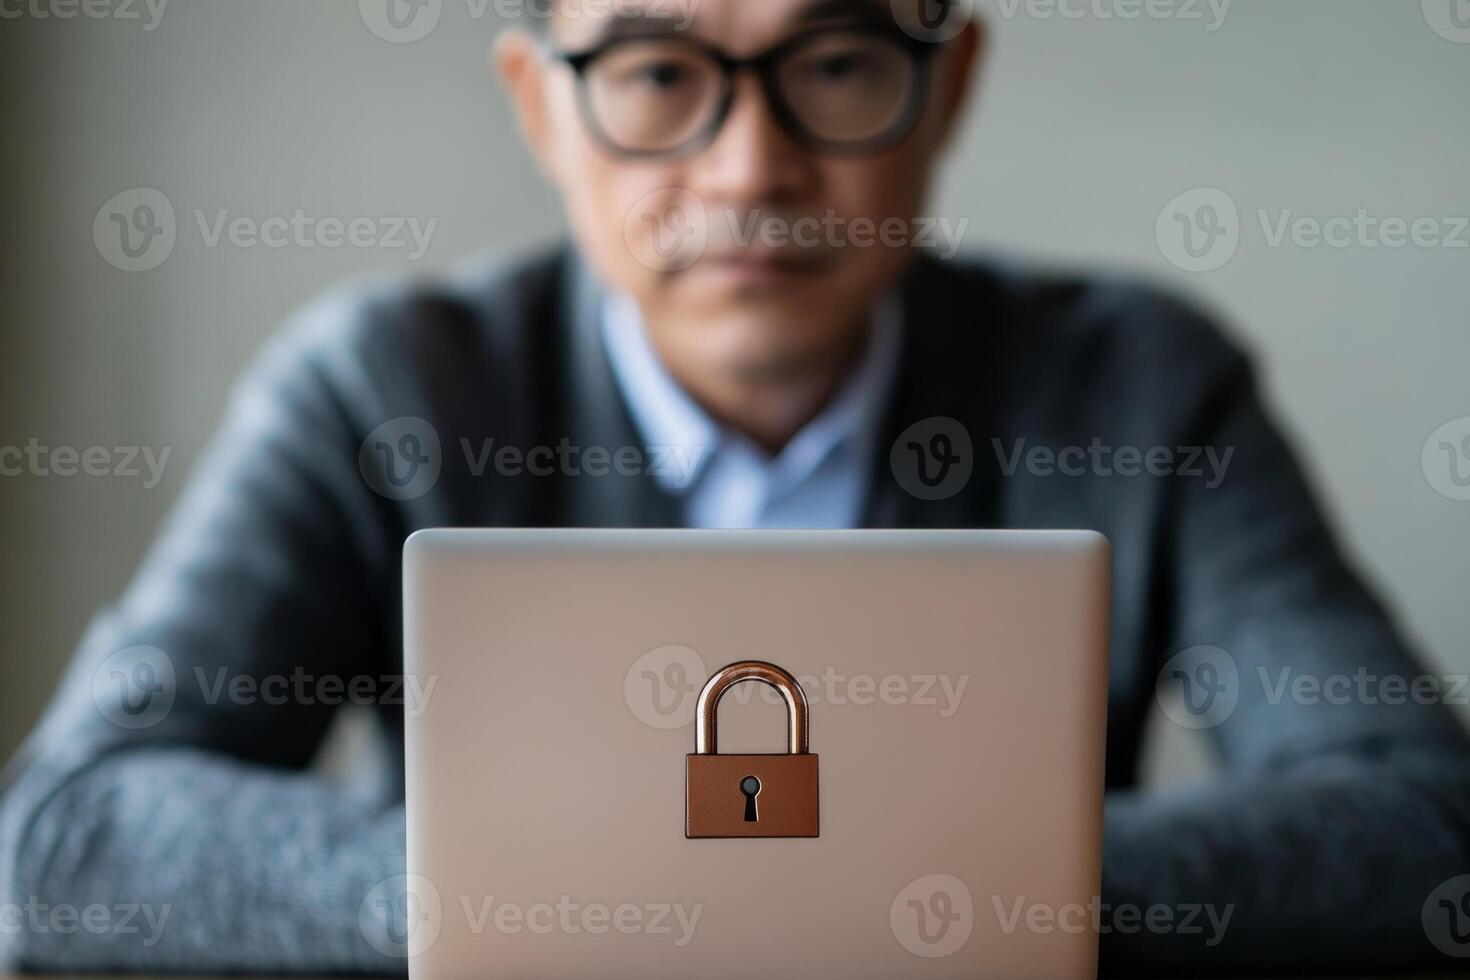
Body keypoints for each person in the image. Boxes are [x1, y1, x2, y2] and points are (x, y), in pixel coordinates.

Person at [2, 0, 1467, 975]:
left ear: (945, 83)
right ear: (540, 105)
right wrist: (530, 901)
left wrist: (847, 903)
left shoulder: (1138, 385)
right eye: (655, 71)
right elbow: (63, 840)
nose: (750, 163)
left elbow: (1421, 832)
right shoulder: (382, 386)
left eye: (832, 64)